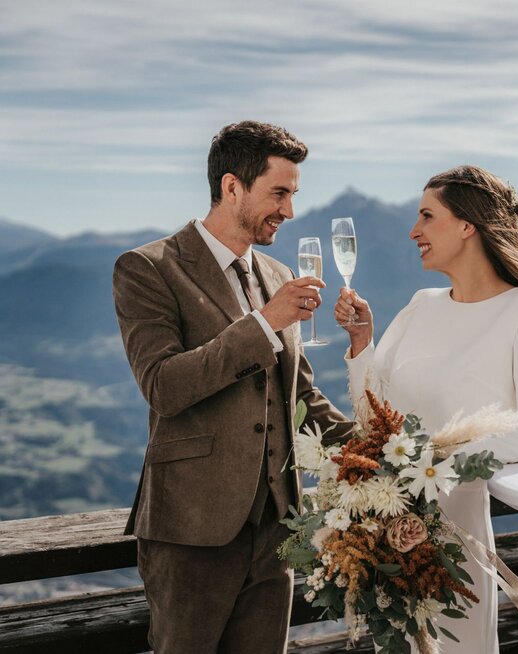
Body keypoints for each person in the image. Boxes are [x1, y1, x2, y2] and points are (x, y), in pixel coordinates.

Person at [112, 120, 354, 654]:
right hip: (191, 531)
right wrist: (264, 324)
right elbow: (163, 386)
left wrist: (384, 447)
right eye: (279, 193)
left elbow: (300, 399)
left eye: (293, 194)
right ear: (231, 187)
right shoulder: (148, 268)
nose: (289, 210)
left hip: (275, 530)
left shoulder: (276, 271)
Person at [334, 165, 518, 653]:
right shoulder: (419, 307)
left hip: (455, 544)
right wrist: (362, 344)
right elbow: (373, 420)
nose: (414, 230)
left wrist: (433, 458)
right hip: (385, 537)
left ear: (468, 226)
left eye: (427, 216)